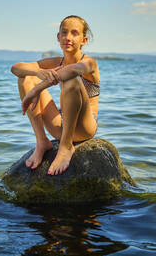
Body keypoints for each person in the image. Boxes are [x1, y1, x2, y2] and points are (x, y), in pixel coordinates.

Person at [11, 15, 100, 175]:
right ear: (58, 37)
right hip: (61, 125)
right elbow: (16, 68)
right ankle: (42, 141)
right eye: (64, 33)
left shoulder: (89, 62)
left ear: (84, 40)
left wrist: (36, 90)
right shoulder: (56, 62)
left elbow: (72, 71)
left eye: (74, 33)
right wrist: (38, 72)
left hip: (84, 127)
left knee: (71, 80)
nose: (68, 37)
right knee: (26, 78)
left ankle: (66, 147)